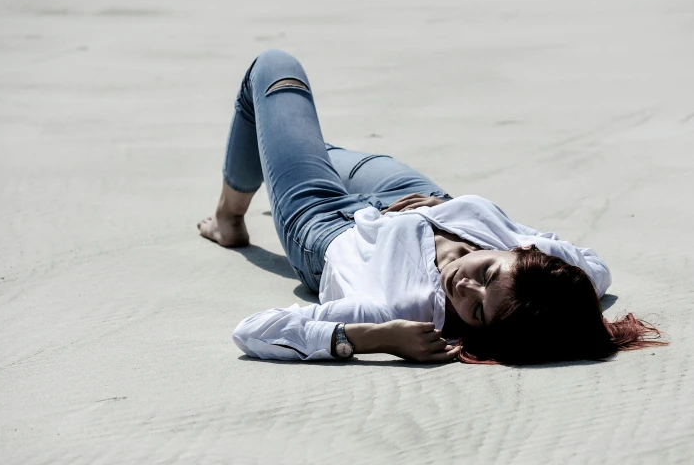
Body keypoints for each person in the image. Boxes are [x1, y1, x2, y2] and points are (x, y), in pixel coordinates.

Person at [198, 49, 664, 365]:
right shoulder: (560, 279)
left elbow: (254, 331)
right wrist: (448, 208)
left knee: (274, 70)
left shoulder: (407, 310)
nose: (464, 287)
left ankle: (228, 217)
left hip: (324, 224)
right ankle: (286, 157)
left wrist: (371, 338)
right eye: (486, 275)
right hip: (413, 193)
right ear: (523, 254)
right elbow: (596, 268)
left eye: (478, 313)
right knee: (291, 141)